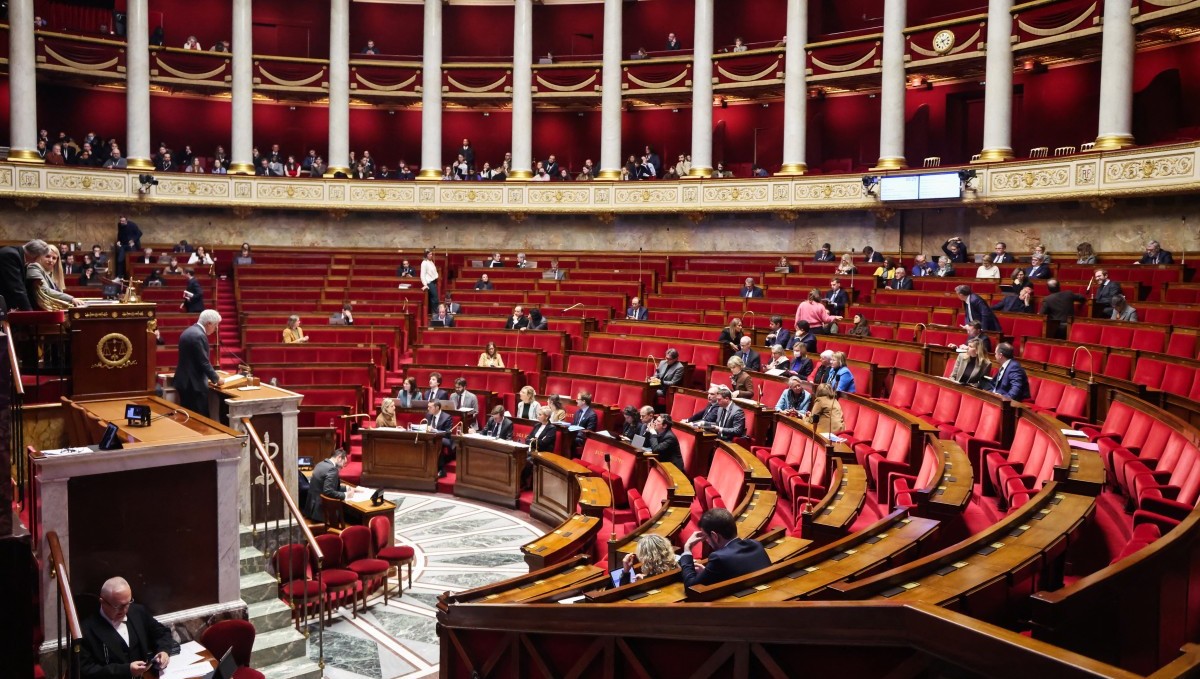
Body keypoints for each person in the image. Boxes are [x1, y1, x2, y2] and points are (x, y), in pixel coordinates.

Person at [80, 576, 176, 679]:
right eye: (118, 606)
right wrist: (126, 670)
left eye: (127, 603)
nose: (124, 610)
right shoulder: (86, 630)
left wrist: (164, 651)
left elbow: (162, 633)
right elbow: (86, 670)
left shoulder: (138, 612)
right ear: (102, 602)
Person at [679, 508, 771, 587]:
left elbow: (691, 586)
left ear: (714, 536)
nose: (706, 541)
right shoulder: (756, 545)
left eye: (706, 537)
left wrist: (687, 549)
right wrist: (707, 573)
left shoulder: (718, 558)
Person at [176, 310, 224, 417]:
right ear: (209, 323)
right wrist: (216, 378)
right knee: (200, 419)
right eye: (215, 325)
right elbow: (203, 362)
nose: (216, 328)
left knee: (188, 417)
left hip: (185, 382)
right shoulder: (199, 335)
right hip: (194, 385)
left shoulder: (188, 331)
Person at [1, 239, 48, 310]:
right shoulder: (11, 255)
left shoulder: (17, 254)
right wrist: (29, 313)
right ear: (37, 256)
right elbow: (17, 288)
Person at [427, 401, 454, 478]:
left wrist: (435, 431)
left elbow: (448, 433)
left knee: (436, 442)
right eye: (428, 407)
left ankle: (441, 469)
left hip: (445, 439)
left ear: (437, 408)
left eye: (430, 407)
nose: (428, 409)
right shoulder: (428, 415)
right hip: (431, 437)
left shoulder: (447, 417)